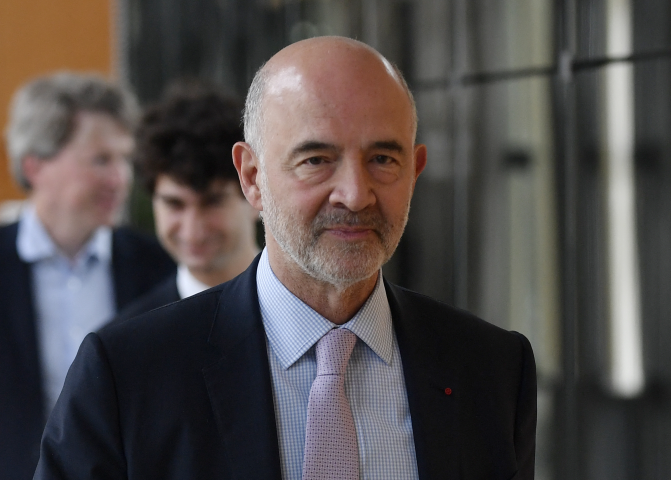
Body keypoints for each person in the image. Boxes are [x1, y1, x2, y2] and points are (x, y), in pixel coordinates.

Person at [34, 38, 537, 480]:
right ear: (251, 177)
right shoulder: (129, 377)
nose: (355, 194)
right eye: (316, 160)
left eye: (383, 159)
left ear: (416, 170)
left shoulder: (492, 370)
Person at [0, 72, 175, 479]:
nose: (122, 178)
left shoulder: (158, 267)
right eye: (101, 159)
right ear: (36, 165)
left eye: (124, 159)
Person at [114, 84, 259, 321]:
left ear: (255, 191)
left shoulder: (319, 311)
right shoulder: (124, 345)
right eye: (174, 204)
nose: (193, 231)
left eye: (212, 202)